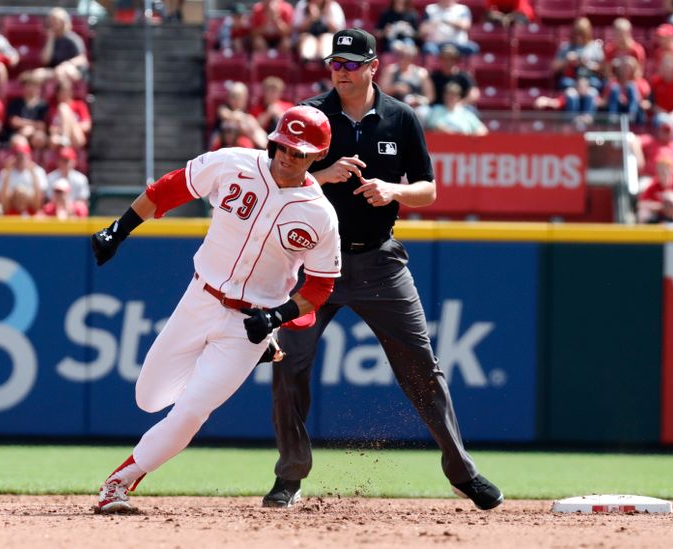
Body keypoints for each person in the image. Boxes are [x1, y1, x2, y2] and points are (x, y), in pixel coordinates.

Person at [261, 28, 503, 512]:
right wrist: (319, 175)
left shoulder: (400, 117)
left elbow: (429, 189)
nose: (342, 71)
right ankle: (290, 476)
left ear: (374, 67)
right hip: (312, 264)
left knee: (421, 369)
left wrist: (393, 191)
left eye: (352, 63)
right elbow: (274, 178)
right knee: (290, 367)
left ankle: (462, 472)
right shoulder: (308, 115)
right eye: (336, 63)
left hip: (379, 260)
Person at [92, 105, 342, 513]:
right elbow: (170, 188)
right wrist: (118, 230)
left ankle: (119, 482)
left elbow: (320, 286)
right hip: (200, 298)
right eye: (281, 145)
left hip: (250, 326)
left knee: (192, 410)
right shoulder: (233, 163)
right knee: (149, 397)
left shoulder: (320, 215)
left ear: (317, 155)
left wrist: (277, 317)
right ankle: (206, 380)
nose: (286, 156)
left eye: (298, 152)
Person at [378, 41, 434, 120]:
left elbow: (430, 96)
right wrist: (395, 88)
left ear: (413, 58)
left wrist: (419, 101)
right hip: (394, 104)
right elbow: (381, 92)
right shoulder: (390, 71)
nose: (403, 58)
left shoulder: (421, 73)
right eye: (401, 56)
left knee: (423, 113)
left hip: (416, 108)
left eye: (407, 56)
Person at [0, 137, 48, 217]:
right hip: (11, 205)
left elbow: (41, 196)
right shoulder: (5, 172)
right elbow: (0, 196)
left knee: (24, 193)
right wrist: (8, 171)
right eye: (18, 156)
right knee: (18, 192)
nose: (21, 159)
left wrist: (32, 172)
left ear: (29, 156)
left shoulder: (37, 171)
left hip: (31, 205)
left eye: (23, 156)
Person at [637, 155, 673, 223]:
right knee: (643, 214)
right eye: (661, 171)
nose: (664, 174)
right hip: (659, 215)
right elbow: (642, 204)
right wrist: (661, 207)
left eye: (666, 171)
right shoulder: (654, 185)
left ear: (672, 171)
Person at [36, 7, 89, 84]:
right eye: (51, 21)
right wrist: (51, 39)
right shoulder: (49, 39)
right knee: (37, 75)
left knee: (61, 72)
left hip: (71, 70)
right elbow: (45, 61)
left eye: (55, 21)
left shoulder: (73, 39)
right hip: (54, 70)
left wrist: (67, 64)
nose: (52, 23)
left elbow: (82, 59)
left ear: (63, 22)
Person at [216, 81, 268, 148]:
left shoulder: (245, 113)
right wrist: (240, 117)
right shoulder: (224, 108)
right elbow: (225, 114)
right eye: (233, 96)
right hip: (222, 138)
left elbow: (254, 126)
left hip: (243, 138)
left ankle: (266, 146)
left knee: (253, 127)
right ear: (229, 97)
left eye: (240, 97)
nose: (236, 100)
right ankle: (264, 147)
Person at [46, 146, 89, 214]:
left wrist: (69, 207)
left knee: (81, 208)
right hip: (55, 209)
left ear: (74, 161)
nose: (64, 163)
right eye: (62, 160)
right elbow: (50, 199)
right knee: (48, 208)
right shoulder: (51, 177)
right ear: (58, 161)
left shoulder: (81, 179)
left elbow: (82, 200)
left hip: (74, 211)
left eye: (67, 160)